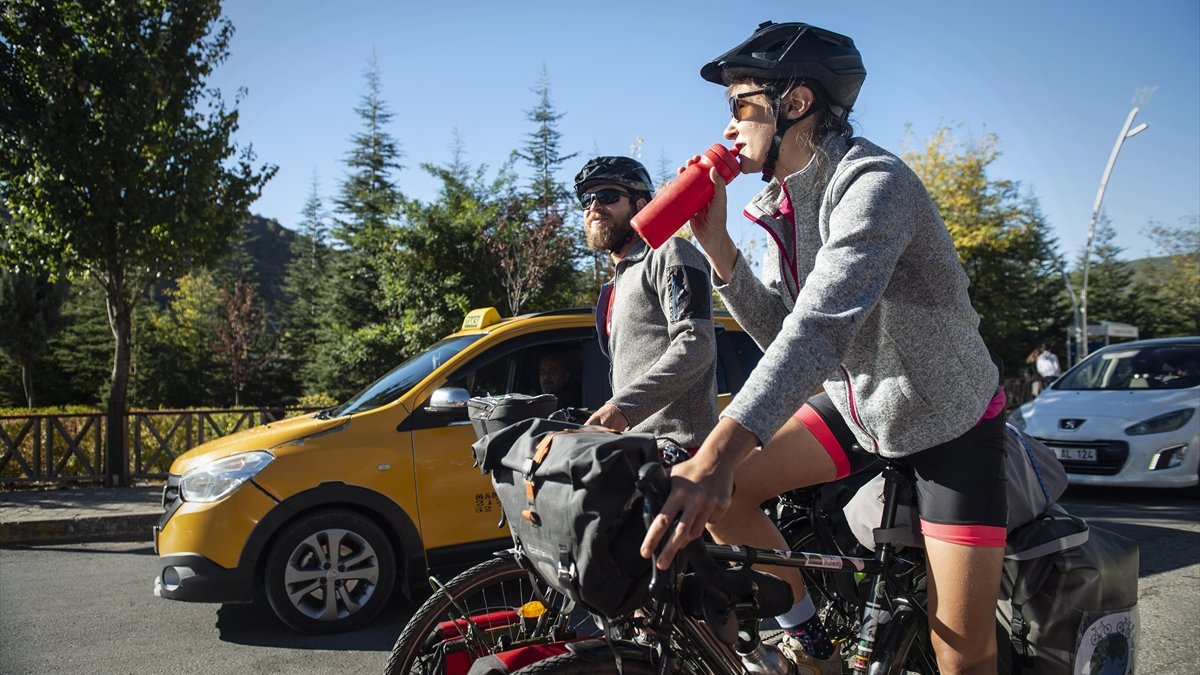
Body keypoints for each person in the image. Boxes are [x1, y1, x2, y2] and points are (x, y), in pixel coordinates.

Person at [639, 22, 1008, 675]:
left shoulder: (876, 184)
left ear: (798, 102)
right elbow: (791, 335)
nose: (729, 127)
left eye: (741, 106)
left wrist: (717, 452)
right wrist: (719, 247)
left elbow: (820, 328)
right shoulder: (789, 207)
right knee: (730, 497)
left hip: (949, 420)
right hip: (862, 404)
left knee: (962, 652)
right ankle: (813, 647)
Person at [574, 156, 719, 451]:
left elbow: (696, 343)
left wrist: (620, 409)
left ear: (641, 204)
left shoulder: (670, 253)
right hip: (639, 449)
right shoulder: (619, 280)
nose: (593, 206)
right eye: (587, 200)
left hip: (682, 448)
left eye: (608, 196)